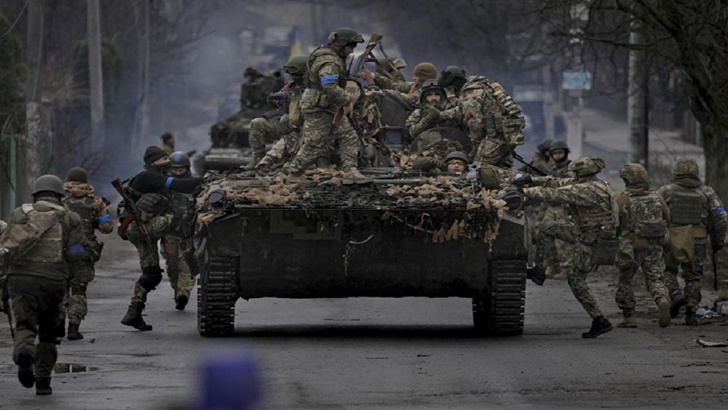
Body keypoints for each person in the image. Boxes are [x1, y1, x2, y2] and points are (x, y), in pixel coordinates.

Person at [4, 175, 90, 395]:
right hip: (53, 281)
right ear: (60, 196)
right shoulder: (69, 218)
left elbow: (8, 245)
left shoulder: (19, 214)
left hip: (20, 279)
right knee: (49, 332)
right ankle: (43, 380)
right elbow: (76, 253)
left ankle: (24, 353)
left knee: (25, 324)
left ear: (36, 195)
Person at [519, 156, 615, 338]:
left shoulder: (587, 190)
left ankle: (600, 320)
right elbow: (557, 182)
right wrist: (531, 179)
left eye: (575, 172)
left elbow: (554, 194)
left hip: (592, 240)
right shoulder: (594, 183)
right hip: (584, 232)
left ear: (581, 173)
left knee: (576, 280)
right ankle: (539, 270)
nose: (573, 175)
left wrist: (524, 191)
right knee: (548, 227)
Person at [120, 146, 203, 331]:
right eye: (164, 158)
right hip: (141, 228)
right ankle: (192, 258)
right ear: (153, 162)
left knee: (152, 275)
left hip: (140, 230)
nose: (168, 160)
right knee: (179, 220)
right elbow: (181, 185)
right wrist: (205, 181)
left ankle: (134, 313)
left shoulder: (153, 174)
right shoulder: (149, 176)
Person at [286, 27, 364, 179]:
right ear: (341, 45)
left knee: (348, 136)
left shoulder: (329, 56)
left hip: (327, 105)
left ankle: (351, 171)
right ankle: (294, 173)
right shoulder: (329, 62)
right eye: (351, 46)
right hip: (318, 107)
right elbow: (329, 86)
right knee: (315, 144)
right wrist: (346, 100)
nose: (352, 51)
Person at [657, 158, 728, 325]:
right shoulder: (707, 192)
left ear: (676, 172)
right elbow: (721, 217)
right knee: (693, 276)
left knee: (668, 271)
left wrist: (659, 234)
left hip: (673, 237)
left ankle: (675, 295)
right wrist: (718, 240)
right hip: (698, 239)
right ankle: (691, 311)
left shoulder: (665, 191)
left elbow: (653, 212)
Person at [613, 163, 672, 328]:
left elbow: (614, 224)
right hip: (655, 243)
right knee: (655, 277)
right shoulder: (656, 197)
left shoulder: (622, 199)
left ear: (626, 180)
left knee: (625, 280)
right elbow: (668, 216)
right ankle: (662, 300)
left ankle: (629, 316)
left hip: (631, 246)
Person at [61, 167, 114, 340]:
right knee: (78, 289)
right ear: (85, 182)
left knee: (60, 287)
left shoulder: (59, 201)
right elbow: (107, 228)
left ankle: (57, 326)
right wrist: (102, 213)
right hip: (82, 250)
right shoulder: (95, 202)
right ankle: (73, 328)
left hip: (61, 250)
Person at [438, 66, 525, 167]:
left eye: (450, 88)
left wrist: (472, 153)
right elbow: (462, 110)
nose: (451, 92)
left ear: (455, 84)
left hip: (496, 137)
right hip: (507, 133)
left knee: (478, 169)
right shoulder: (480, 85)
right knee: (496, 168)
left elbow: (475, 127)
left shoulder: (470, 93)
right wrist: (441, 115)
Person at [245, 55, 308, 170]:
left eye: (296, 74)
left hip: (304, 130)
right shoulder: (291, 87)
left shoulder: (313, 89)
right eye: (292, 74)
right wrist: (275, 100)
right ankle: (258, 158)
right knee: (257, 123)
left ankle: (271, 161)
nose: (294, 77)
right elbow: (282, 101)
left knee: (284, 141)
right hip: (287, 124)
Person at [164, 152, 199, 310]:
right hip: (169, 230)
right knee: (172, 263)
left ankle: (183, 293)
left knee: (186, 261)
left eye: (181, 169)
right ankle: (176, 287)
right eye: (174, 169)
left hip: (188, 230)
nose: (178, 172)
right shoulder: (165, 184)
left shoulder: (195, 183)